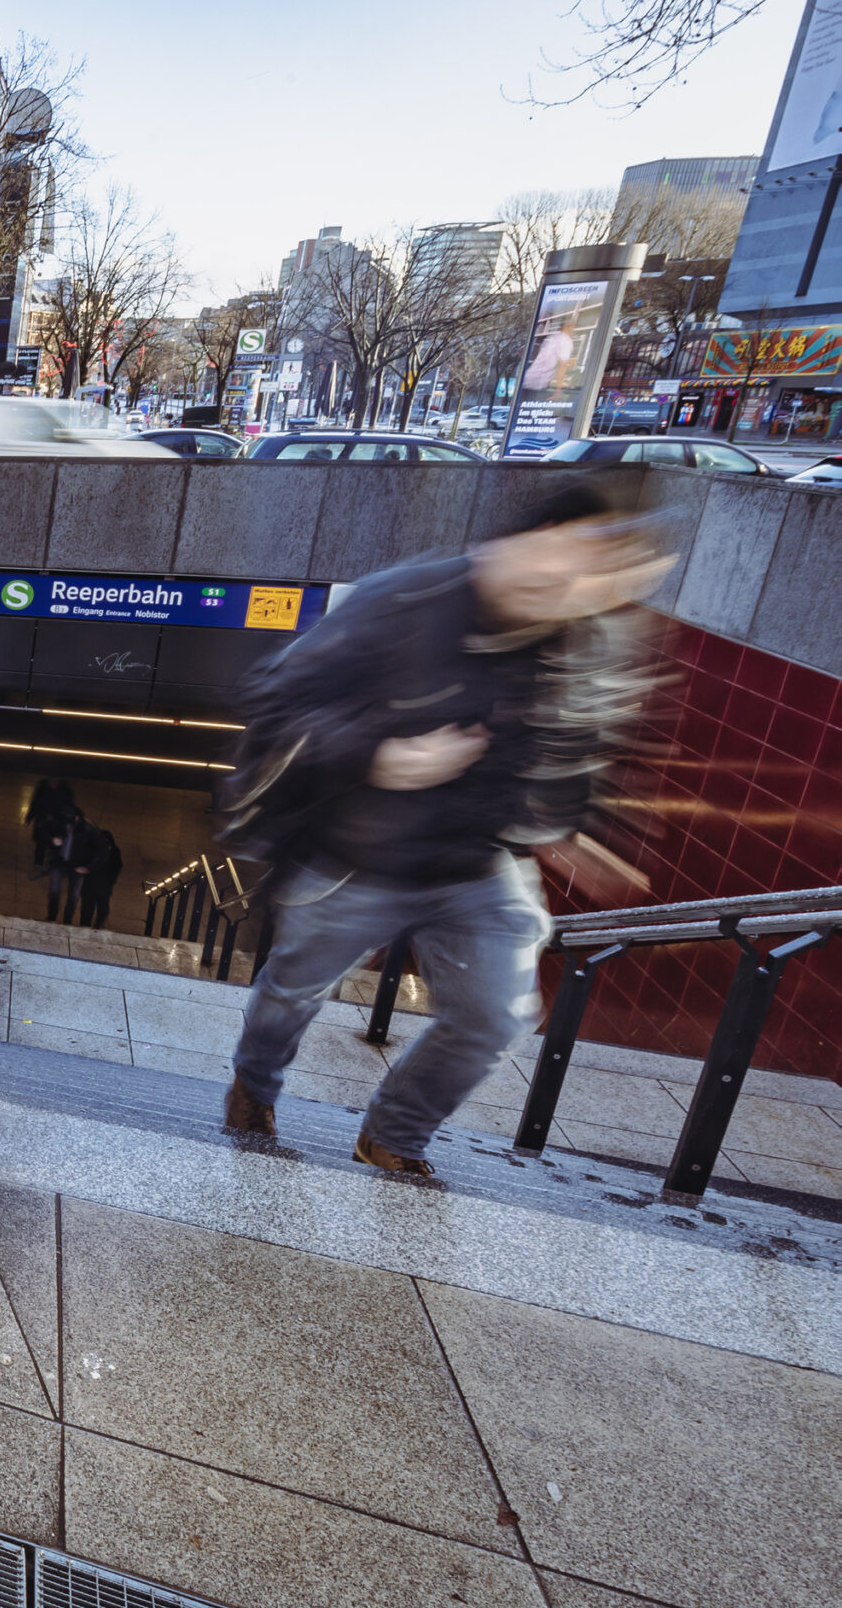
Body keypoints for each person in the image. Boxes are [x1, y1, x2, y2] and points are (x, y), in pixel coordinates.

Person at [217, 480, 671, 1176]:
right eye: (570, 563)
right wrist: (379, 756)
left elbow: (580, 743)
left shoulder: (584, 637)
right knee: (293, 989)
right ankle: (255, 1082)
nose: (577, 590)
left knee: (496, 1016)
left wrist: (574, 829)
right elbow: (278, 700)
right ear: (533, 533)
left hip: (479, 862)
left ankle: (395, 1132)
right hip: (357, 852)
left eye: (597, 578)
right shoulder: (404, 600)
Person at [45, 809, 93, 924]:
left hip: (77, 866)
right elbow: (42, 833)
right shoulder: (60, 824)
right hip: (60, 862)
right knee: (55, 890)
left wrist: (88, 866)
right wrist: (51, 840)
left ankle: (67, 920)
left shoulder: (87, 830)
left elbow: (99, 851)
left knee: (74, 895)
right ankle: (51, 917)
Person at [78, 826, 123, 929]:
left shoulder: (113, 851)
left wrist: (111, 880)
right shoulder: (93, 850)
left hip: (101, 886)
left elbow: (117, 866)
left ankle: (92, 927)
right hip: (93, 886)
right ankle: (87, 928)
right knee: (88, 910)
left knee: (99, 910)